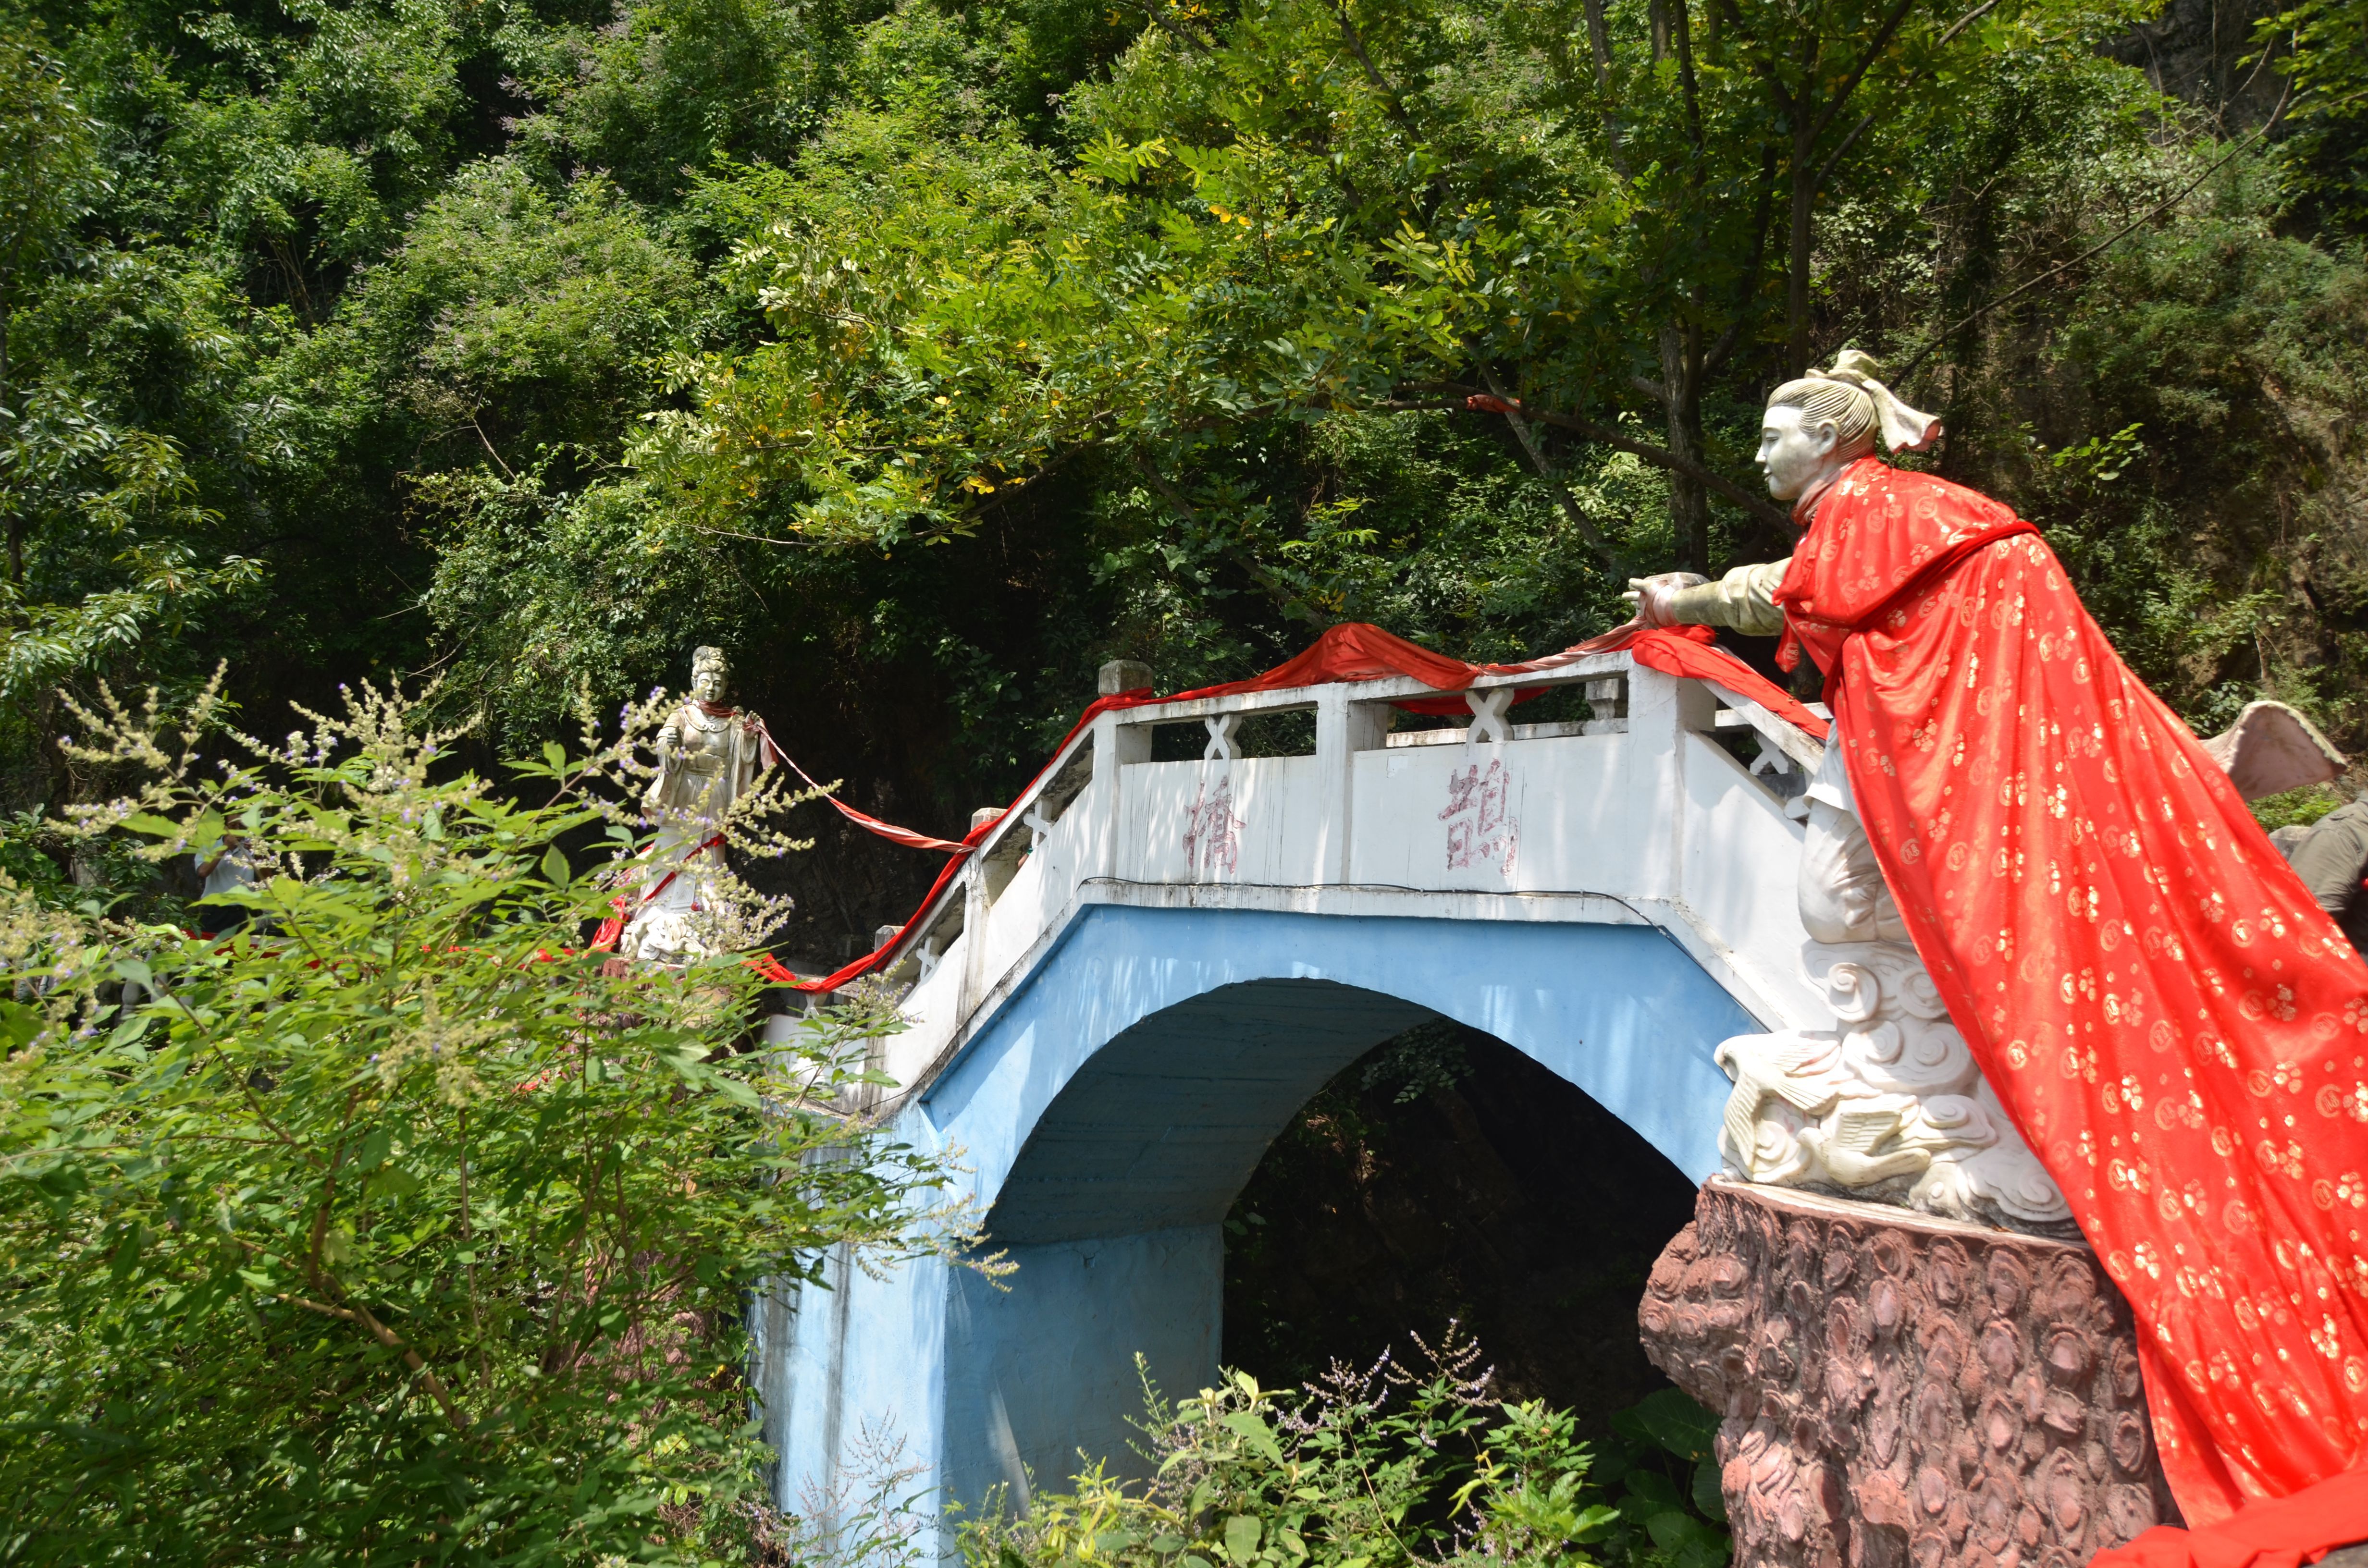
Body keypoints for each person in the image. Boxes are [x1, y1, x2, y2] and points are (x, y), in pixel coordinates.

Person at [1624, 350, 2368, 1567]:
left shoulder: (1873, 512)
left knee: (1843, 900)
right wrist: (1699, 599)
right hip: (1927, 735)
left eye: (1773, 434)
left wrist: (1688, 601)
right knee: (1845, 900)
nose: (1759, 454)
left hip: (1927, 751)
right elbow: (1789, 588)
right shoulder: (1897, 516)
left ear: (1832, 441)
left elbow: (1785, 592)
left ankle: (1923, 1086)